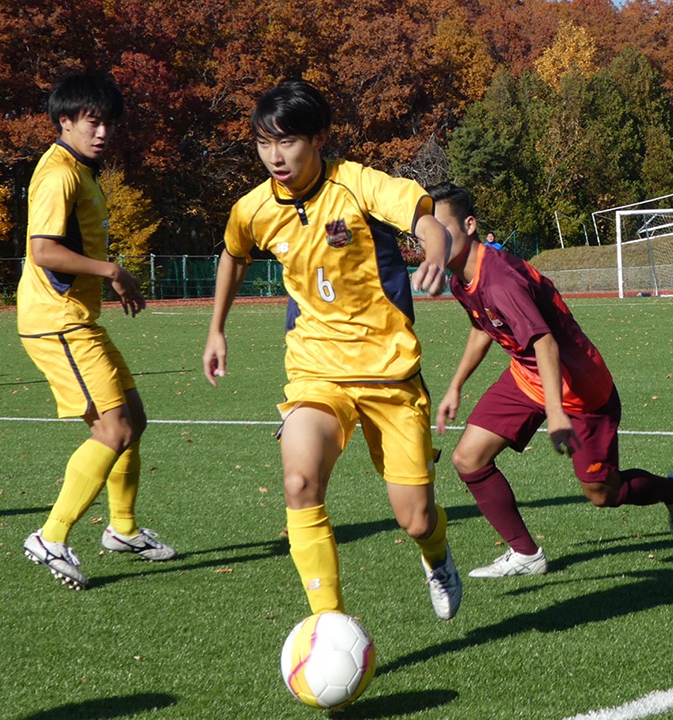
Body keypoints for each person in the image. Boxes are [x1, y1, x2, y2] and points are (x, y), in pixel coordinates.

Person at [202, 79, 462, 620]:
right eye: (263, 143)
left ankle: (436, 556)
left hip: (390, 376)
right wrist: (216, 329)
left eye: (287, 142)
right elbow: (233, 254)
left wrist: (433, 251)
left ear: (318, 138)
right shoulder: (252, 208)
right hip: (316, 371)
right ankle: (329, 623)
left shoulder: (356, 184)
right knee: (298, 481)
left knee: (415, 518)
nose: (274, 156)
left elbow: (424, 216)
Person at [424, 181, 673, 578]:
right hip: (527, 379)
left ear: (469, 225)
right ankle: (526, 554)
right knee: (468, 458)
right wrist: (456, 384)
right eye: (427, 233)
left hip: (579, 391)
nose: (433, 241)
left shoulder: (499, 278)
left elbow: (545, 345)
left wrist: (555, 414)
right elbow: (484, 327)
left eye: (442, 229)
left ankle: (669, 491)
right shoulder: (459, 277)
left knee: (602, 495)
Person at [18, 72, 176, 590]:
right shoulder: (58, 172)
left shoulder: (84, 172)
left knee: (134, 418)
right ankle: (51, 536)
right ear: (65, 121)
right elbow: (42, 250)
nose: (102, 130)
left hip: (76, 320)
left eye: (108, 121)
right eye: (92, 121)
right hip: (55, 323)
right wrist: (111, 271)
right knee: (113, 431)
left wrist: (105, 277)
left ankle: (123, 529)